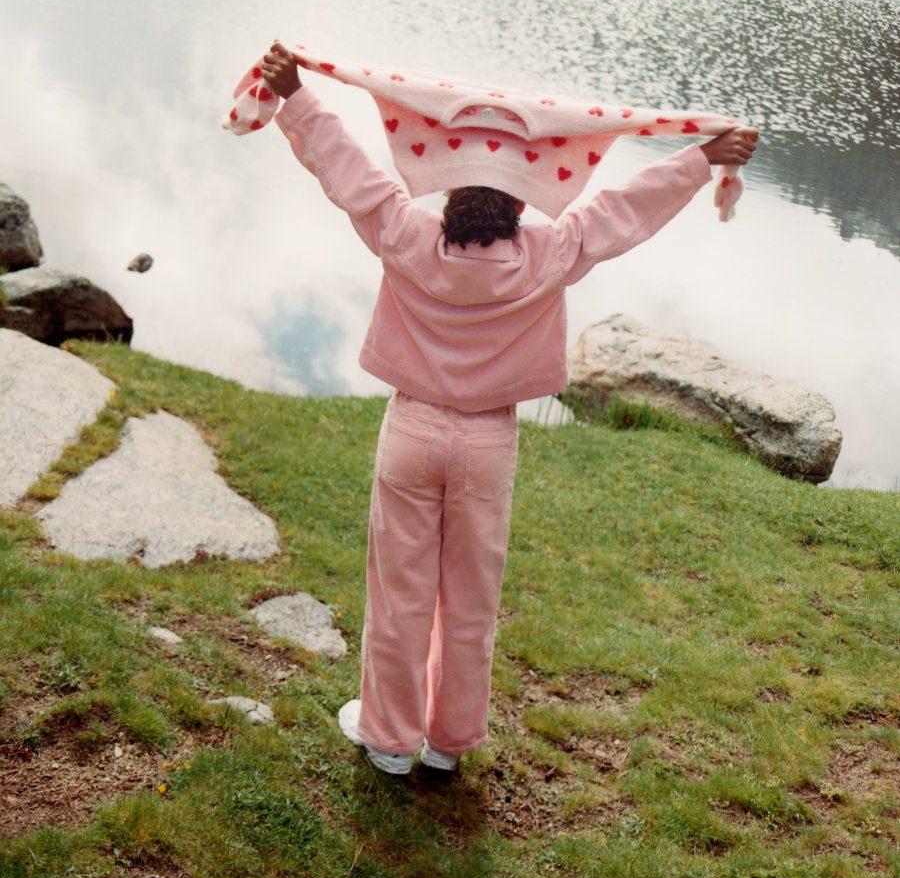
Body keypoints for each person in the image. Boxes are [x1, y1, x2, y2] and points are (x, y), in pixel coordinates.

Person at [259, 39, 758, 777]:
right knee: (470, 601)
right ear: (520, 203)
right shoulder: (550, 252)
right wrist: (702, 156)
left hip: (412, 431)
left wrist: (297, 95)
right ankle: (447, 744)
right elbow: (625, 210)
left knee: (399, 592)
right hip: (488, 444)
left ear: (449, 195)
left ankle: (389, 740)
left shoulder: (406, 235)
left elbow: (352, 175)